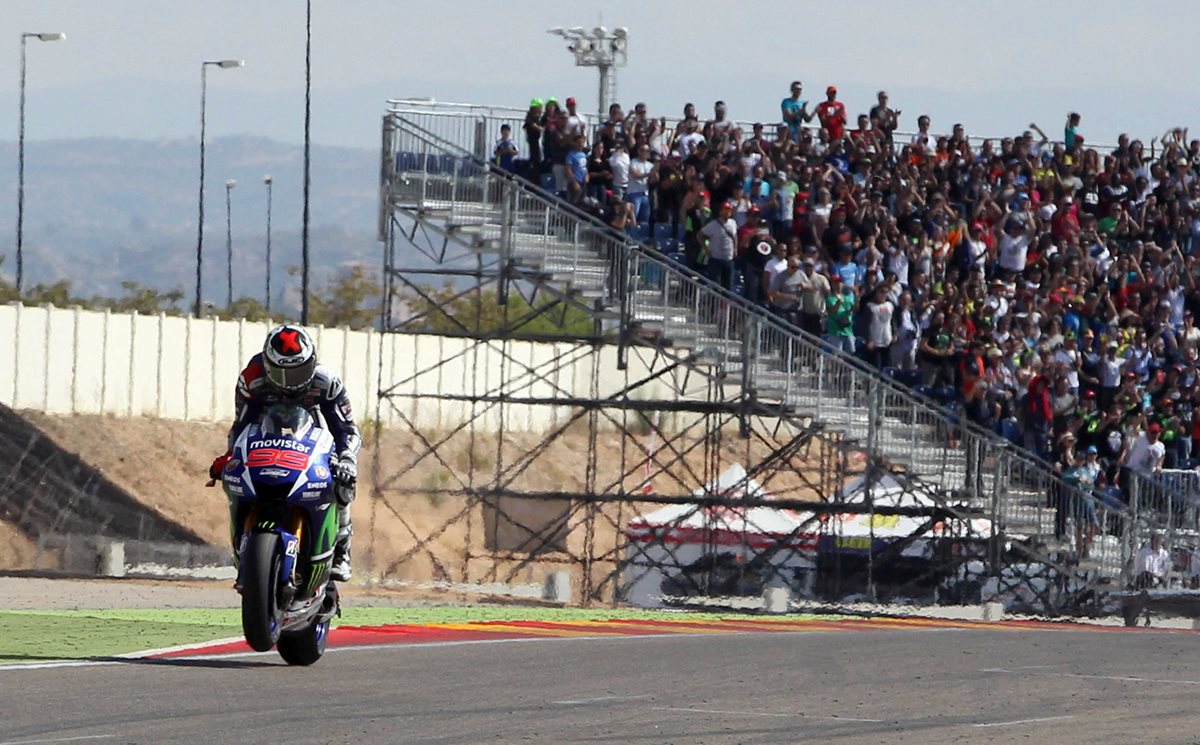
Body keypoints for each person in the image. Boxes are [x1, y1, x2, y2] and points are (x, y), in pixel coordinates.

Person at [209, 325, 362, 582]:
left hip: (311, 437)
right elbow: (242, 425)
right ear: (268, 366)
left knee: (342, 483)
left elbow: (347, 429)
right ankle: (242, 540)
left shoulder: (327, 382)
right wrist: (231, 455)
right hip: (265, 436)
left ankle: (341, 551)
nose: (292, 381)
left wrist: (346, 460)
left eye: (299, 371)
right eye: (283, 373)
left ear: (312, 362)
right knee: (234, 476)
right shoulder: (252, 379)